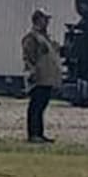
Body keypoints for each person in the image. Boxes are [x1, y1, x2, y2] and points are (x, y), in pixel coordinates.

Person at [21, 8, 62, 144]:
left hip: (47, 78)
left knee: (41, 106)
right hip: (38, 78)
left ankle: (40, 133)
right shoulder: (32, 37)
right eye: (45, 19)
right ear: (38, 20)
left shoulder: (45, 37)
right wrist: (33, 72)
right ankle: (33, 134)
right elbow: (28, 56)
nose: (47, 22)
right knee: (36, 106)